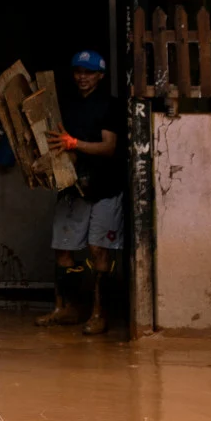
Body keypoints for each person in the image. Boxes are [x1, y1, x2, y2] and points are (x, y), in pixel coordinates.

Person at [38, 50, 126, 336]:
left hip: (105, 188)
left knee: (98, 249)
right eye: (78, 71)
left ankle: (99, 314)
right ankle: (66, 309)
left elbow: (109, 147)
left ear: (100, 76)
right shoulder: (66, 105)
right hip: (72, 187)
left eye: (89, 72)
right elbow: (54, 142)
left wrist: (74, 144)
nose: (82, 77)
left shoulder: (110, 106)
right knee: (63, 248)